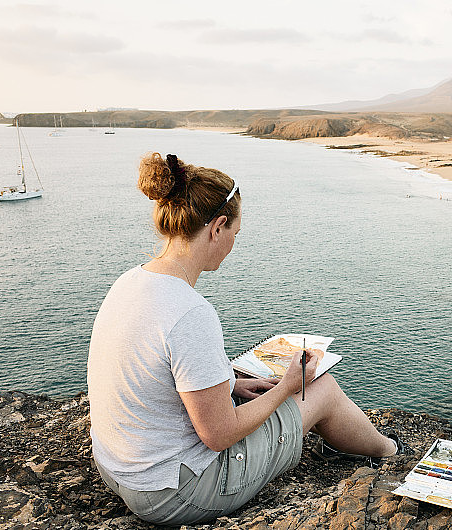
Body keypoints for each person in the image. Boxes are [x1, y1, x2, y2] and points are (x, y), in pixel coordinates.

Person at [87, 153, 404, 525]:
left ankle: (379, 447)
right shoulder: (191, 312)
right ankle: (391, 453)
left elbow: (152, 367)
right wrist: (286, 387)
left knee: (287, 389)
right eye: (235, 233)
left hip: (116, 467)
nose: (233, 244)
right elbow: (218, 435)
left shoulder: (129, 281)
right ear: (217, 227)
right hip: (174, 493)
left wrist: (233, 384)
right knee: (323, 389)